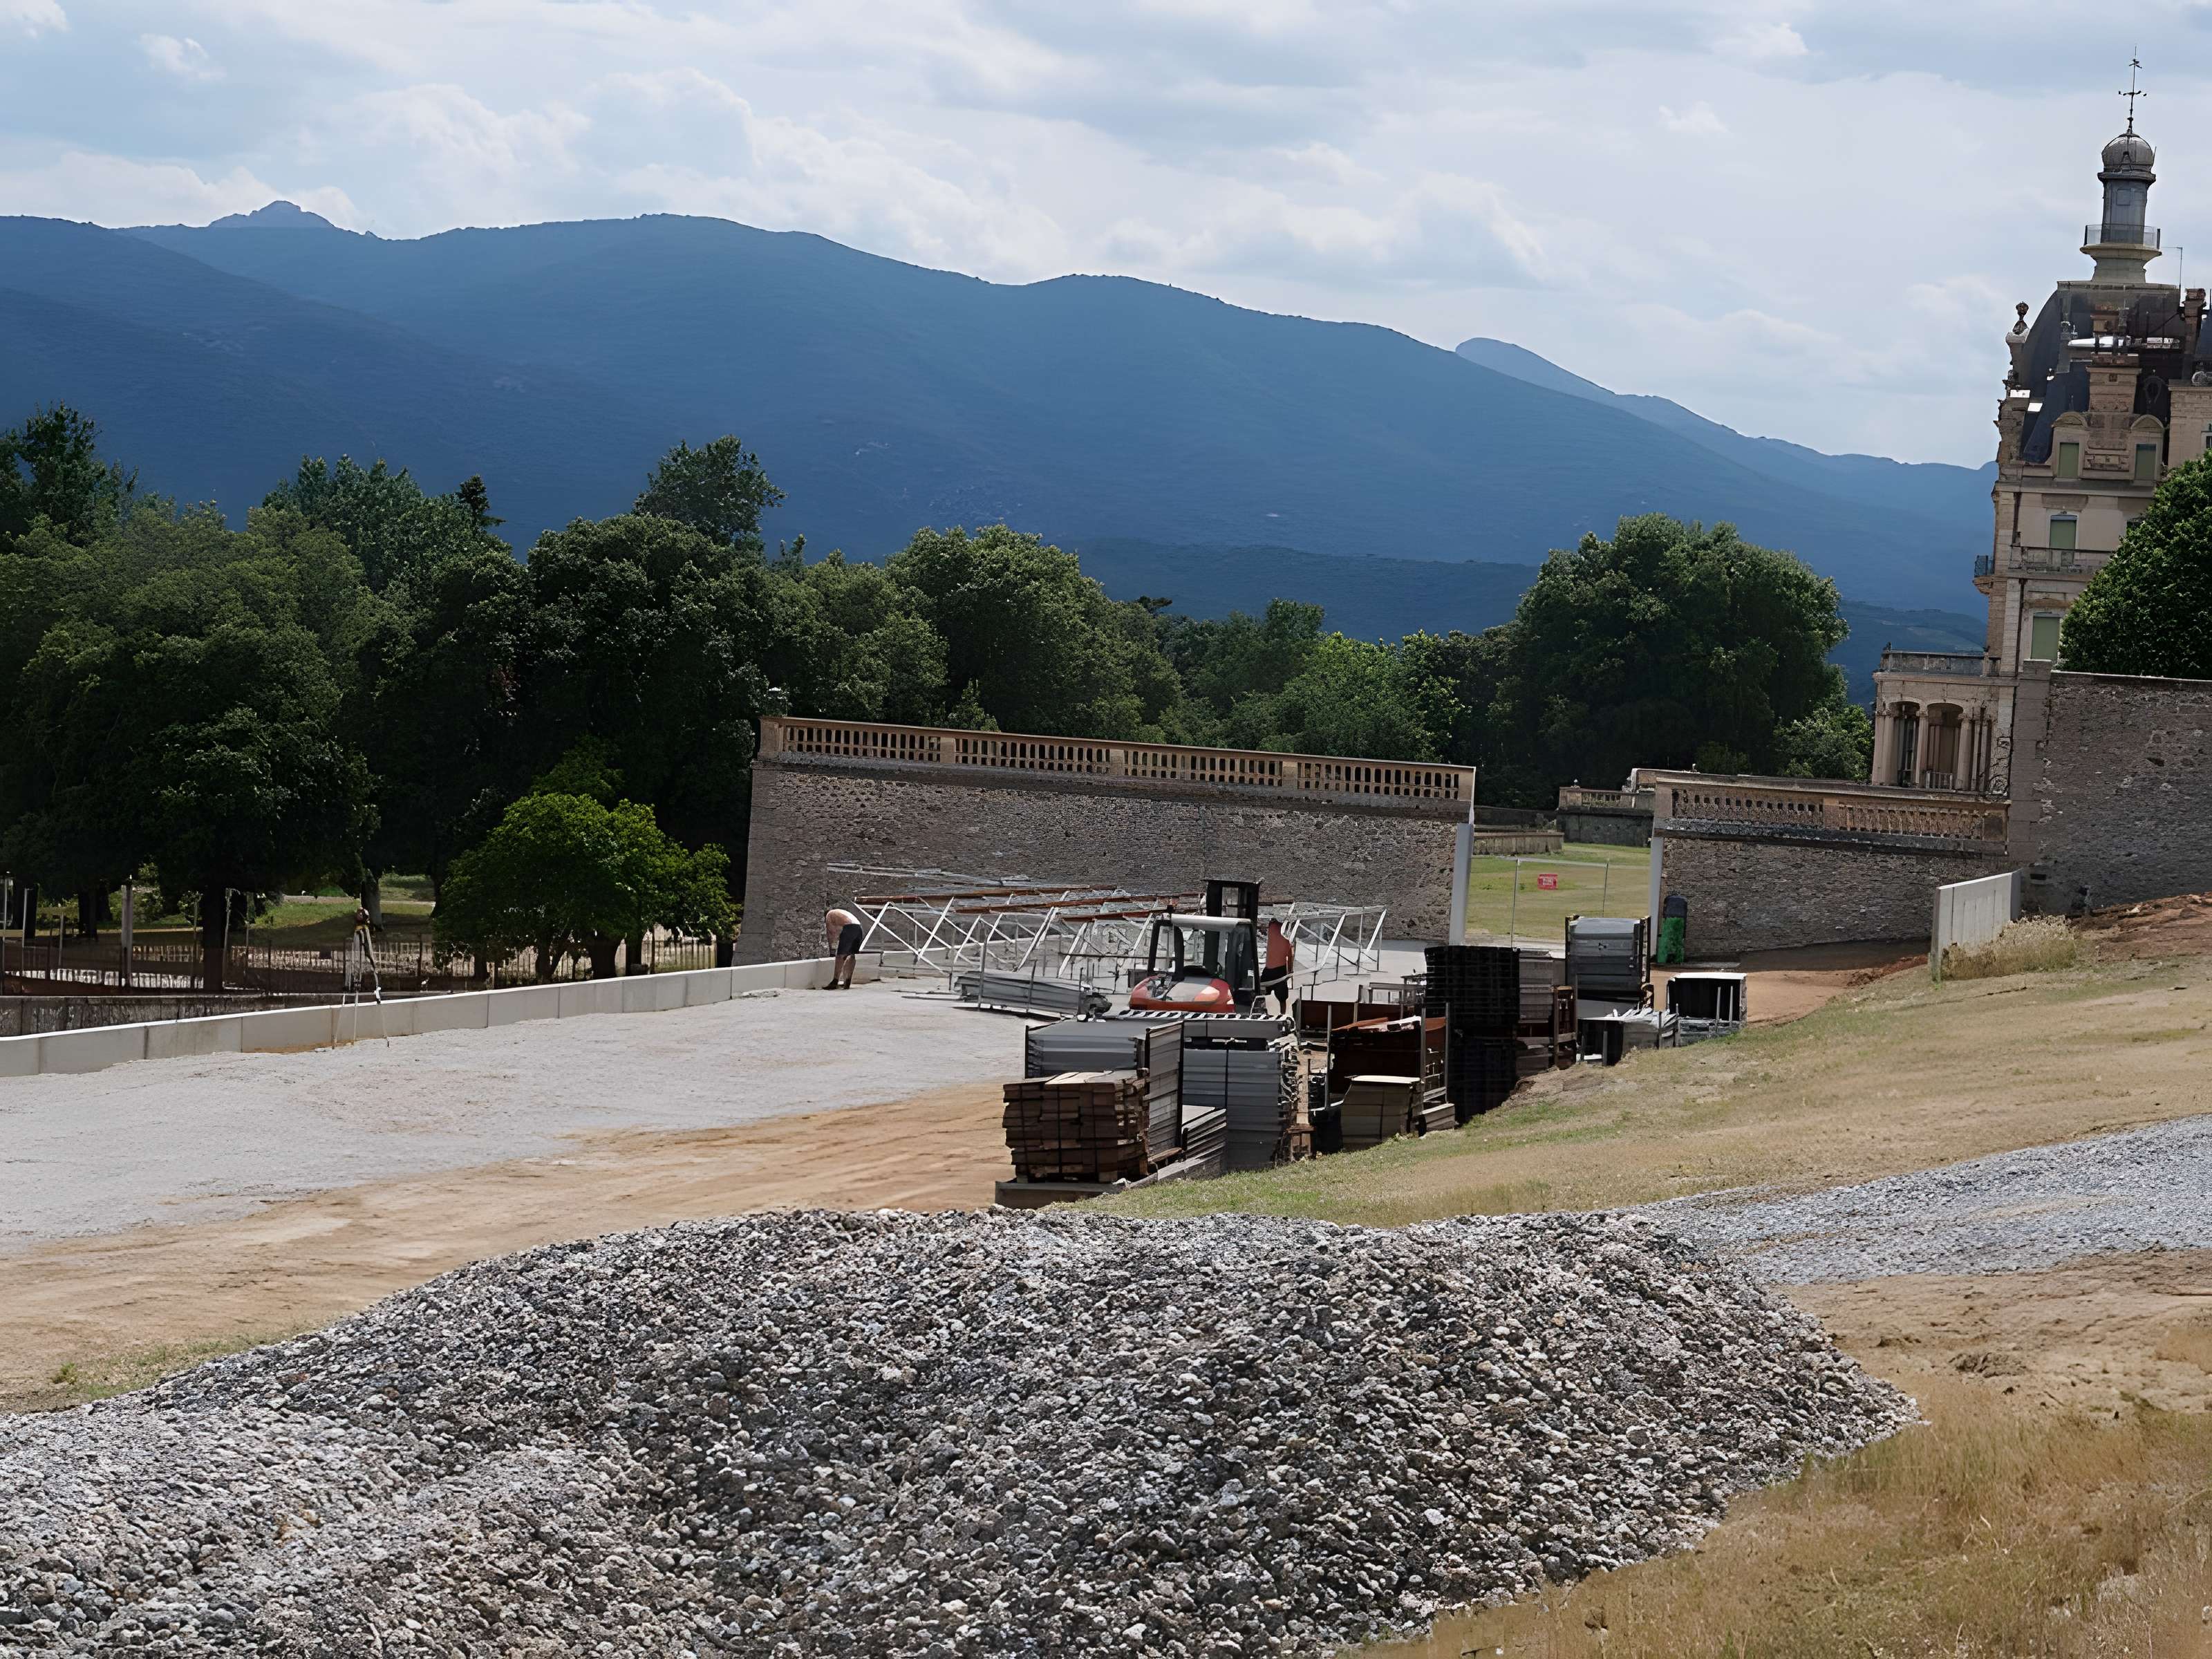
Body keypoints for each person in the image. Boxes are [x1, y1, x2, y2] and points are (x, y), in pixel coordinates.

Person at [1259, 919, 1295, 1015]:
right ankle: (1265, 1013)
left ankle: (1281, 1015)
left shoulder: (1275, 927)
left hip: (1277, 970)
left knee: (1280, 998)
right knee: (1260, 994)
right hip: (1275, 970)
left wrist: (1290, 971)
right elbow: (1291, 955)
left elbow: (1291, 954)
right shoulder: (1275, 927)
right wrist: (1290, 971)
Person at [825, 906, 865, 988]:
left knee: (840, 956)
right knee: (851, 955)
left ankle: (834, 982)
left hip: (849, 928)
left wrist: (832, 950)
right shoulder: (840, 912)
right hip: (859, 928)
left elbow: (832, 933)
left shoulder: (829, 915)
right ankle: (847, 981)